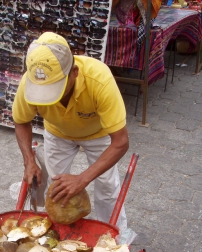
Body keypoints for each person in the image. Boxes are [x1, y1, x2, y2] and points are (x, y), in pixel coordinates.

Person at [12, 32, 129, 231]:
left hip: (97, 133)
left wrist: (82, 179)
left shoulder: (99, 80)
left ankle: (113, 237)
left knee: (107, 187)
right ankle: (61, 234)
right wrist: (29, 161)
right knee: (58, 190)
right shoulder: (29, 83)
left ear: (74, 72)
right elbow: (21, 121)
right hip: (58, 133)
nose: (51, 99)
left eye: (55, 89)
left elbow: (121, 142)